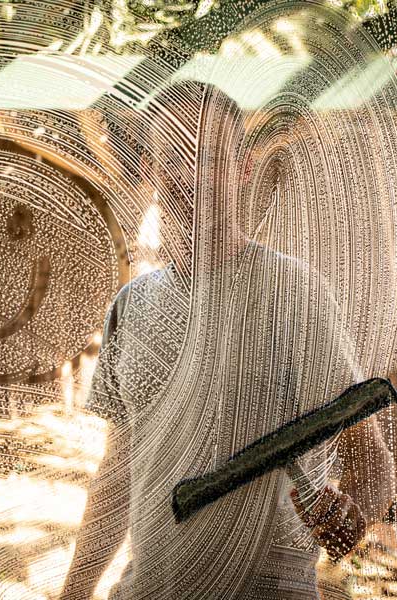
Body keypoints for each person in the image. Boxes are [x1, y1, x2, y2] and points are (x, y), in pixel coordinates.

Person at [60, 81, 395, 599]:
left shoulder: (293, 293)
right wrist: (73, 593)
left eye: (209, 158)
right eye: (174, 157)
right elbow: (118, 473)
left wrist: (349, 513)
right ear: (151, 171)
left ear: (242, 170)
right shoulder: (133, 305)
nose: (191, 177)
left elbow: (371, 463)